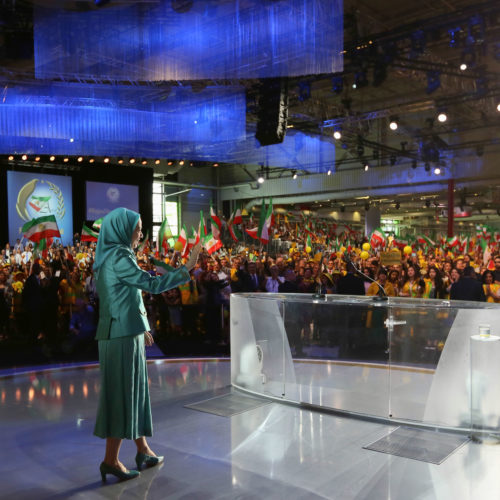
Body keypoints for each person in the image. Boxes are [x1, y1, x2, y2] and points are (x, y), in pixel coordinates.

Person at [93, 208, 200, 482]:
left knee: (135, 393)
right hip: (121, 337)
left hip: (123, 331)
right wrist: (185, 270)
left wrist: (142, 327)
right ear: (121, 229)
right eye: (137, 228)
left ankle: (143, 451)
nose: (141, 233)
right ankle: (111, 460)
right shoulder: (119, 255)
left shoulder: (109, 255)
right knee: (122, 396)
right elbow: (149, 284)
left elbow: (126, 295)